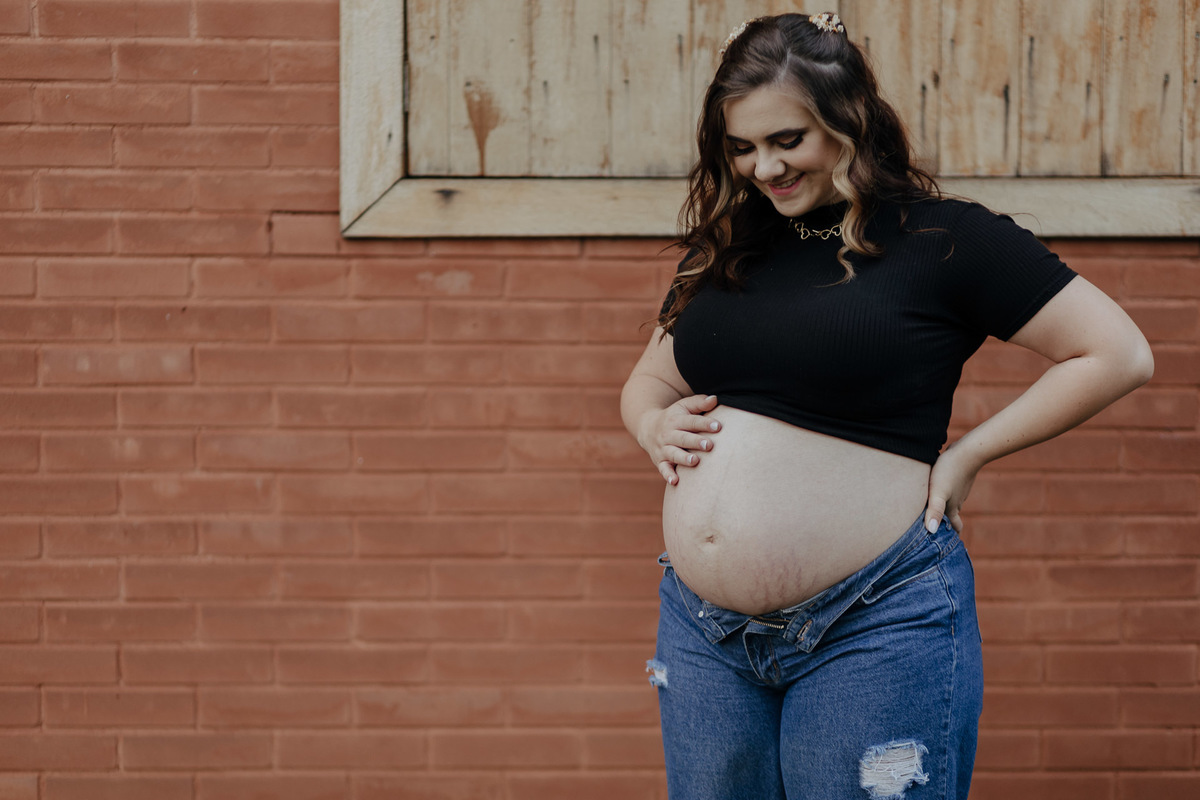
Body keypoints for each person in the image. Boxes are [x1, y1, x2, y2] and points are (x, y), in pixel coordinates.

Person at [619, 12, 1153, 800]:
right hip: (704, 633)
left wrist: (968, 454)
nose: (764, 167)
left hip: (873, 623)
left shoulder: (944, 239)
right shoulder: (730, 245)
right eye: (741, 148)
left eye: (787, 139)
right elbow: (648, 384)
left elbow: (1118, 354)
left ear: (849, 119)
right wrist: (651, 423)